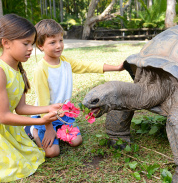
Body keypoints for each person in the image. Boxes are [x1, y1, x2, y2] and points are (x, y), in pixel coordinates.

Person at [0, 14, 64, 183]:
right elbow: (4, 116)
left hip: (5, 129)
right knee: (11, 165)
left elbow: (21, 107)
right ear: (6, 43)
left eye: (32, 43)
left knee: (29, 155)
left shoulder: (18, 70)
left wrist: (49, 108)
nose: (31, 48)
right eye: (26, 44)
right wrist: (41, 122)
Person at [24, 19, 124, 158]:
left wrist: (116, 68)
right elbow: (43, 103)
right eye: (52, 42)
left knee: (76, 141)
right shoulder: (41, 69)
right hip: (46, 116)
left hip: (64, 115)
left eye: (61, 40)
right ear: (40, 46)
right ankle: (33, 129)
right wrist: (48, 127)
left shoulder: (66, 62)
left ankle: (58, 131)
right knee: (52, 152)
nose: (59, 46)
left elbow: (87, 66)